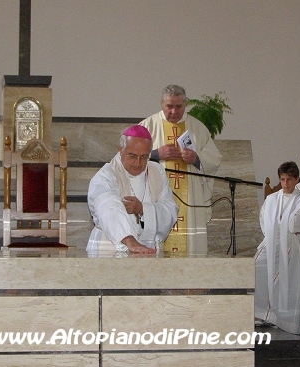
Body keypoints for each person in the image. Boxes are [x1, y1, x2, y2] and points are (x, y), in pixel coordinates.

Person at [140, 85, 222, 255]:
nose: (173, 111)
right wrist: (156, 154)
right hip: (157, 197)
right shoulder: (148, 126)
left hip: (189, 198)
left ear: (185, 105)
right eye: (169, 106)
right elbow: (128, 157)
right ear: (162, 104)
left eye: (179, 106)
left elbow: (214, 158)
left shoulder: (196, 128)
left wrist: (197, 158)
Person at [86, 125, 178, 254]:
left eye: (144, 157)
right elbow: (107, 206)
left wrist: (142, 209)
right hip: (110, 248)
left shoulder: (157, 172)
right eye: (132, 156)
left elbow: (170, 209)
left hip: (149, 250)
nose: (138, 163)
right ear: (121, 149)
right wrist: (129, 240)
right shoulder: (106, 175)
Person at [254, 161, 300, 335]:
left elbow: (295, 225)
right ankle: (261, 312)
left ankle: (280, 318)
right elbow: (264, 219)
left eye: (289, 179)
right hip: (271, 241)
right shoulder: (271, 199)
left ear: (296, 179)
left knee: (285, 279)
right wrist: (273, 232)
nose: (285, 183)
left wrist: (281, 226)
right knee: (256, 268)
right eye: (283, 179)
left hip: (290, 244)